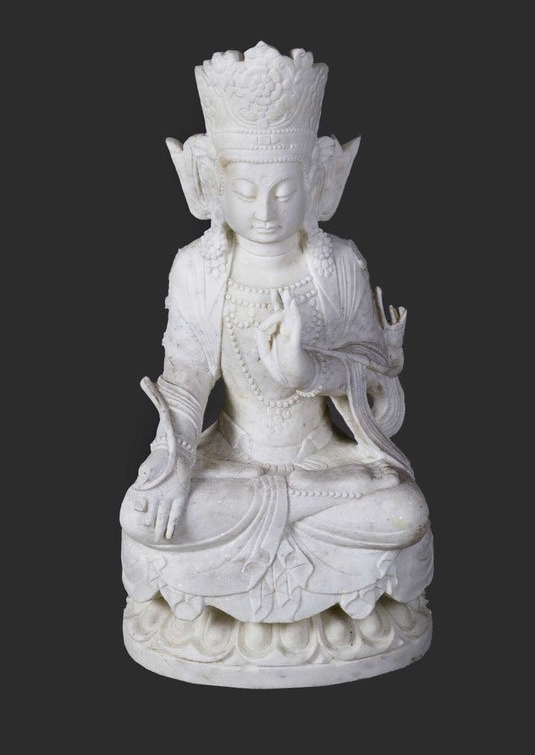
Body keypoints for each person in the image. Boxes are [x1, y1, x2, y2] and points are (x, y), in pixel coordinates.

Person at [120, 42, 433, 624]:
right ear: (214, 186)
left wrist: (311, 371)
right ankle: (288, 515)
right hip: (234, 462)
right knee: (142, 512)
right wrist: (175, 464)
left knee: (402, 512)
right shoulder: (197, 268)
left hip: (322, 461)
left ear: (316, 184)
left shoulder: (338, 266)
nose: (265, 211)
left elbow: (383, 403)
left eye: (284, 191)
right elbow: (184, 384)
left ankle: (276, 521)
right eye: (246, 191)